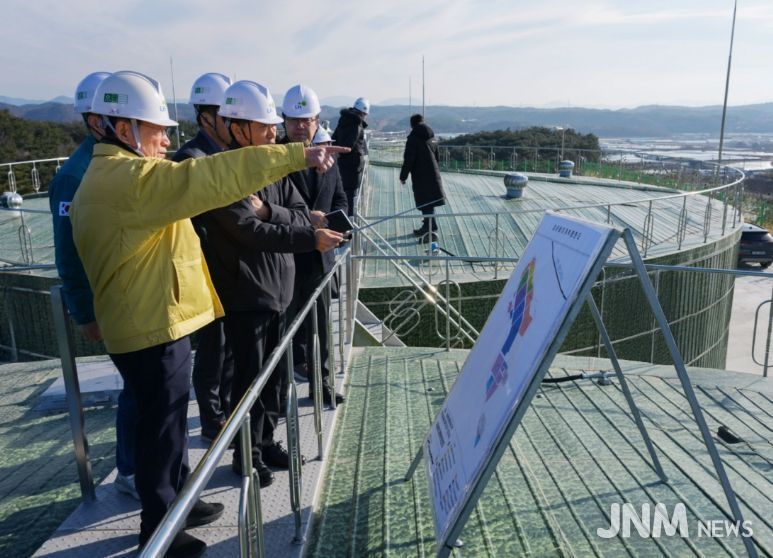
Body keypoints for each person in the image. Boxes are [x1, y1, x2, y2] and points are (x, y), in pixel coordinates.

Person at [70, 70, 347, 558]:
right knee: (161, 428)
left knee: (169, 423)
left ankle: (176, 500)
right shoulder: (132, 179)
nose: (163, 139)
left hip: (153, 318)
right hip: (149, 325)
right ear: (117, 128)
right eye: (153, 129)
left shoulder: (116, 175)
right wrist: (294, 155)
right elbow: (210, 180)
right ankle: (161, 531)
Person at [208, 80, 343, 486]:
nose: (274, 133)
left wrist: (269, 210)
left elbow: (300, 212)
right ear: (237, 128)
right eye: (266, 126)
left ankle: (266, 443)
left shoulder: (269, 167)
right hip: (246, 294)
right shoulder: (224, 173)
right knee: (248, 382)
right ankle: (245, 455)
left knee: (274, 379)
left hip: (276, 291)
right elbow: (249, 231)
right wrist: (299, 230)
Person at [49, 71, 140, 501]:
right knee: (138, 389)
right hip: (110, 301)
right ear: (92, 120)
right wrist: (84, 312)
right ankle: (131, 469)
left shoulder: (115, 162)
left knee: (145, 388)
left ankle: (144, 467)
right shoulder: (75, 175)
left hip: (134, 297)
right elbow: (67, 253)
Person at [172, 73, 235, 445]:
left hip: (228, 272)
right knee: (214, 351)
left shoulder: (224, 156)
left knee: (228, 353)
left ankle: (223, 412)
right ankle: (212, 421)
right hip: (206, 274)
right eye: (227, 116)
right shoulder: (191, 159)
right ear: (207, 117)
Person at [282, 84, 347, 406]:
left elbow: (340, 200)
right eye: (293, 120)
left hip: (321, 259)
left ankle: (320, 386)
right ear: (283, 121)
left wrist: (336, 226)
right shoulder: (272, 159)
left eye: (305, 119)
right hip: (285, 259)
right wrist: (308, 218)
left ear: (317, 120)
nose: (299, 125)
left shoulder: (328, 158)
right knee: (282, 335)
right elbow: (266, 208)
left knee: (321, 328)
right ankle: (278, 396)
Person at [399, 114, 446, 241]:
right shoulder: (433, 137)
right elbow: (437, 156)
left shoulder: (413, 138)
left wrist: (403, 176)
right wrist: (435, 169)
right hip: (432, 172)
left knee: (425, 201)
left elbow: (409, 159)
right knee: (429, 201)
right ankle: (430, 225)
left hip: (420, 174)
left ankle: (430, 231)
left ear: (412, 124)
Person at [332, 97, 369, 215]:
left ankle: (343, 220)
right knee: (351, 196)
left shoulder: (343, 120)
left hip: (341, 163)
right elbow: (349, 145)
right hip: (352, 166)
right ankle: (350, 225)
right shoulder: (356, 124)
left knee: (343, 194)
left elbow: (335, 138)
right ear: (363, 113)